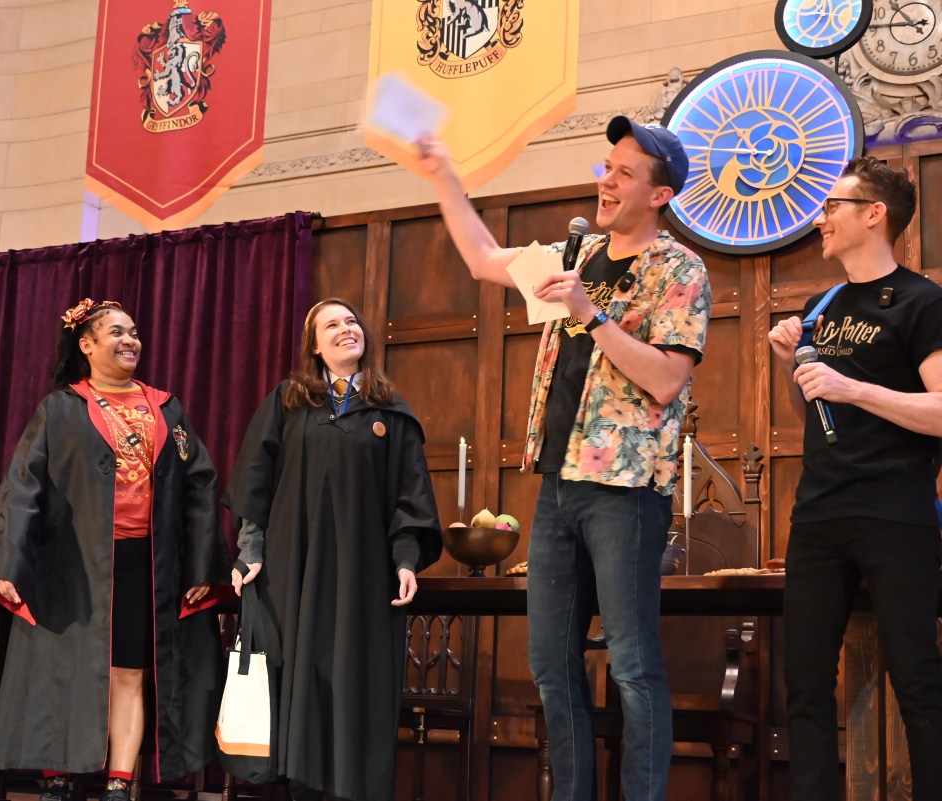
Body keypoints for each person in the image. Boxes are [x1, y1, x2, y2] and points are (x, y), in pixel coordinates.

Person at [415, 117, 711, 801]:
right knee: (551, 661)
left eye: (624, 173)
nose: (606, 181)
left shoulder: (680, 268)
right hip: (557, 482)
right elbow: (482, 258)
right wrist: (444, 177)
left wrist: (591, 313)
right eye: (607, 167)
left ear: (659, 195)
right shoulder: (574, 253)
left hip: (625, 487)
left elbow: (668, 379)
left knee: (632, 663)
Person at [0, 299, 229, 801]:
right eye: (117, 333)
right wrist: (8, 561)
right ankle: (58, 777)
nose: (130, 340)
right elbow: (24, 487)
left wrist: (200, 564)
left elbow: (200, 485)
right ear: (86, 345)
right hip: (71, 561)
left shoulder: (165, 407)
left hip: (143, 563)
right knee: (63, 670)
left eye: (134, 332)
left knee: (130, 672)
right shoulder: (61, 408)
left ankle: (118, 782)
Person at [767, 156, 942, 800]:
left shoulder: (923, 301)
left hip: (894, 512)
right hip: (818, 513)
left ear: (874, 214)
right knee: (805, 682)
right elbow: (817, 414)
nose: (821, 218)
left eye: (832, 206)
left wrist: (854, 388)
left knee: (917, 677)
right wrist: (791, 365)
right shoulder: (822, 306)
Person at [224, 297, 443, 801]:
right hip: (293, 570)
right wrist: (250, 549)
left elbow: (410, 495)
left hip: (363, 577)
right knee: (300, 682)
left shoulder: (390, 411)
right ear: (315, 346)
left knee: (354, 681)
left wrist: (405, 560)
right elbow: (255, 479)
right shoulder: (289, 402)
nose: (346, 329)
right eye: (332, 325)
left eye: (351, 321)